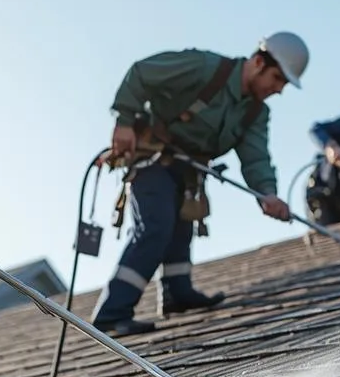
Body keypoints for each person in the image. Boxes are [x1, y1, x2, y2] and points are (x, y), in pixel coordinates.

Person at [92, 32, 309, 336]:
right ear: (259, 62)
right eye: (277, 79)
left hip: (189, 170)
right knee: (156, 225)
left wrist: (267, 193)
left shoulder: (256, 112)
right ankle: (111, 315)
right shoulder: (204, 68)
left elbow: (256, 157)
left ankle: (177, 294)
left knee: (182, 225)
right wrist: (125, 120)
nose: (279, 89)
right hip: (152, 158)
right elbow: (143, 72)